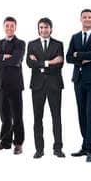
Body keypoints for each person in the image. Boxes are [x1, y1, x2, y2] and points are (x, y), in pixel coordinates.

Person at [67, 9, 91, 162]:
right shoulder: (75, 37)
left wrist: (79, 54)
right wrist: (82, 57)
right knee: (81, 112)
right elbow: (69, 57)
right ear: (80, 19)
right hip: (78, 79)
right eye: (85, 17)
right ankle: (85, 145)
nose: (87, 19)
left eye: (90, 17)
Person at [26, 18, 65, 158]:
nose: (44, 30)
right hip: (37, 86)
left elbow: (60, 64)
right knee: (37, 118)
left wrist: (40, 62)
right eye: (41, 27)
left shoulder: (58, 44)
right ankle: (39, 149)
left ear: (51, 29)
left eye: (46, 27)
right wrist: (49, 62)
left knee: (56, 117)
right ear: (38, 29)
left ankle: (58, 148)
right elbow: (29, 63)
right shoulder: (31, 44)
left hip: (54, 85)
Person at [0, 17, 26, 154]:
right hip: (2, 84)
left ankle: (18, 143)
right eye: (7, 26)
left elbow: (16, 59)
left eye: (12, 26)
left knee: (17, 116)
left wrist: (1, 57)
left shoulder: (20, 43)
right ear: (3, 27)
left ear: (15, 27)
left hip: (15, 85)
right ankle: (5, 142)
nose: (9, 28)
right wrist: (6, 57)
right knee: (4, 116)